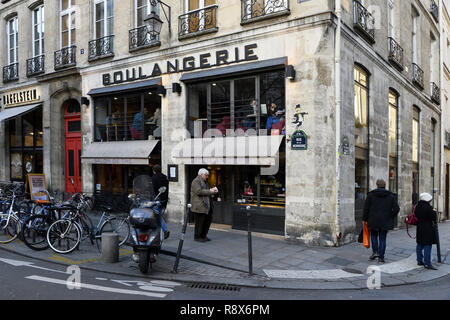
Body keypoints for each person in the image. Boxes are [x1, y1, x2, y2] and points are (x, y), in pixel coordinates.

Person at [363, 179, 400, 264]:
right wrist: (390, 216)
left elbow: (366, 208)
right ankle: (381, 258)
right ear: (385, 185)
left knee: (374, 236)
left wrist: (365, 219)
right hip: (385, 220)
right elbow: (397, 209)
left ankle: (375, 252)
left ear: (377, 185)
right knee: (382, 239)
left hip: (373, 220)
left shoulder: (371, 195)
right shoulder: (391, 196)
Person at [190, 168, 218, 242]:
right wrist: (210, 191)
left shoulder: (205, 182)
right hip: (199, 206)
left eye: (207, 175)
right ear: (201, 174)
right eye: (206, 175)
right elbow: (198, 191)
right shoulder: (196, 181)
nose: (207, 176)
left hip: (207, 205)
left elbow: (206, 192)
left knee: (207, 222)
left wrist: (211, 192)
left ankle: (203, 236)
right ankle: (197, 237)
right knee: (199, 223)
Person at [415, 192, 438, 270]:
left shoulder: (417, 206)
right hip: (427, 228)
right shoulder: (428, 207)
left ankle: (419, 260)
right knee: (428, 245)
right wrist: (434, 211)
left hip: (419, 227)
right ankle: (427, 263)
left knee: (420, 244)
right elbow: (433, 217)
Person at [151, 164, 170, 239]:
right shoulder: (165, 178)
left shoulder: (153, 178)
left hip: (157, 200)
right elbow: (167, 190)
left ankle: (165, 230)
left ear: (154, 171)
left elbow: (152, 190)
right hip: (164, 200)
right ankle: (158, 234)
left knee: (157, 216)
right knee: (157, 216)